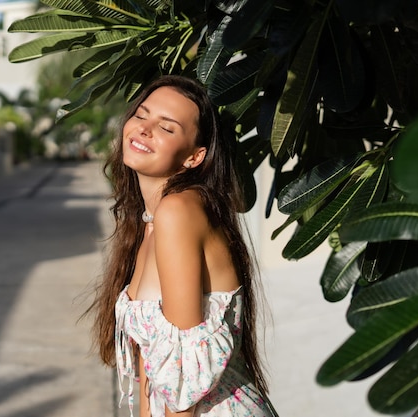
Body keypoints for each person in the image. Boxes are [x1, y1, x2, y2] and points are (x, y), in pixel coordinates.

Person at [87, 75, 277, 417]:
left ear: (194, 157)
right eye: (142, 115)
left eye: (167, 127)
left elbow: (182, 387)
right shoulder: (151, 220)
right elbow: (155, 369)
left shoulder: (178, 212)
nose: (144, 129)